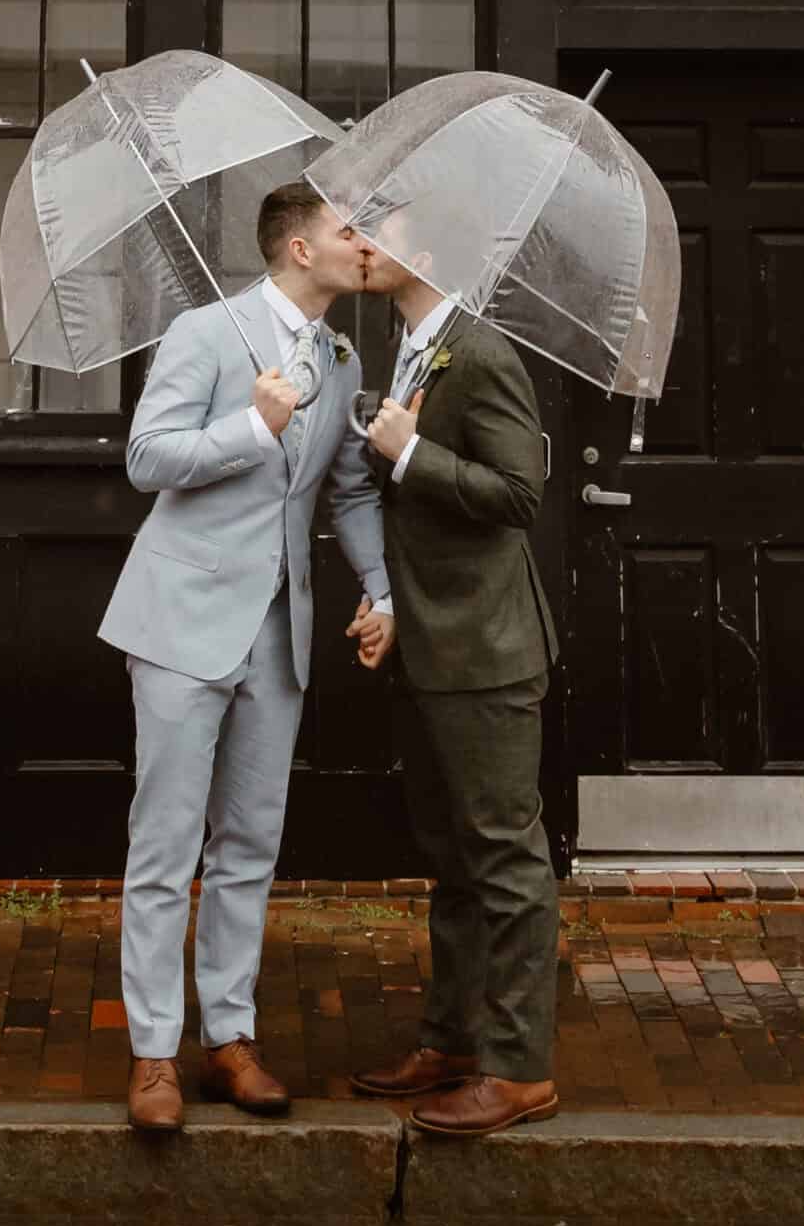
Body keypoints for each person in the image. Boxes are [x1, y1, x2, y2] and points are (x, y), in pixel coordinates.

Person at [98, 180, 389, 1135]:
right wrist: (249, 427)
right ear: (300, 249)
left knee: (249, 846)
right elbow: (148, 457)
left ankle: (229, 1036)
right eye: (351, 232)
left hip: (279, 630)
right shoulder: (205, 333)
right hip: (181, 619)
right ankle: (152, 1054)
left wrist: (378, 588)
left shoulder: (343, 357)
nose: (367, 245)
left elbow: (347, 491)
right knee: (165, 843)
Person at [345, 213, 563, 1136]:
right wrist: (388, 602)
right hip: (431, 642)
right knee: (453, 860)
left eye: (372, 231)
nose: (354, 242)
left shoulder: (481, 351)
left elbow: (518, 496)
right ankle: (453, 1039)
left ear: (425, 253)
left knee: (507, 858)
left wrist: (410, 453)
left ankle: (518, 1070)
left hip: (487, 651)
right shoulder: (411, 348)